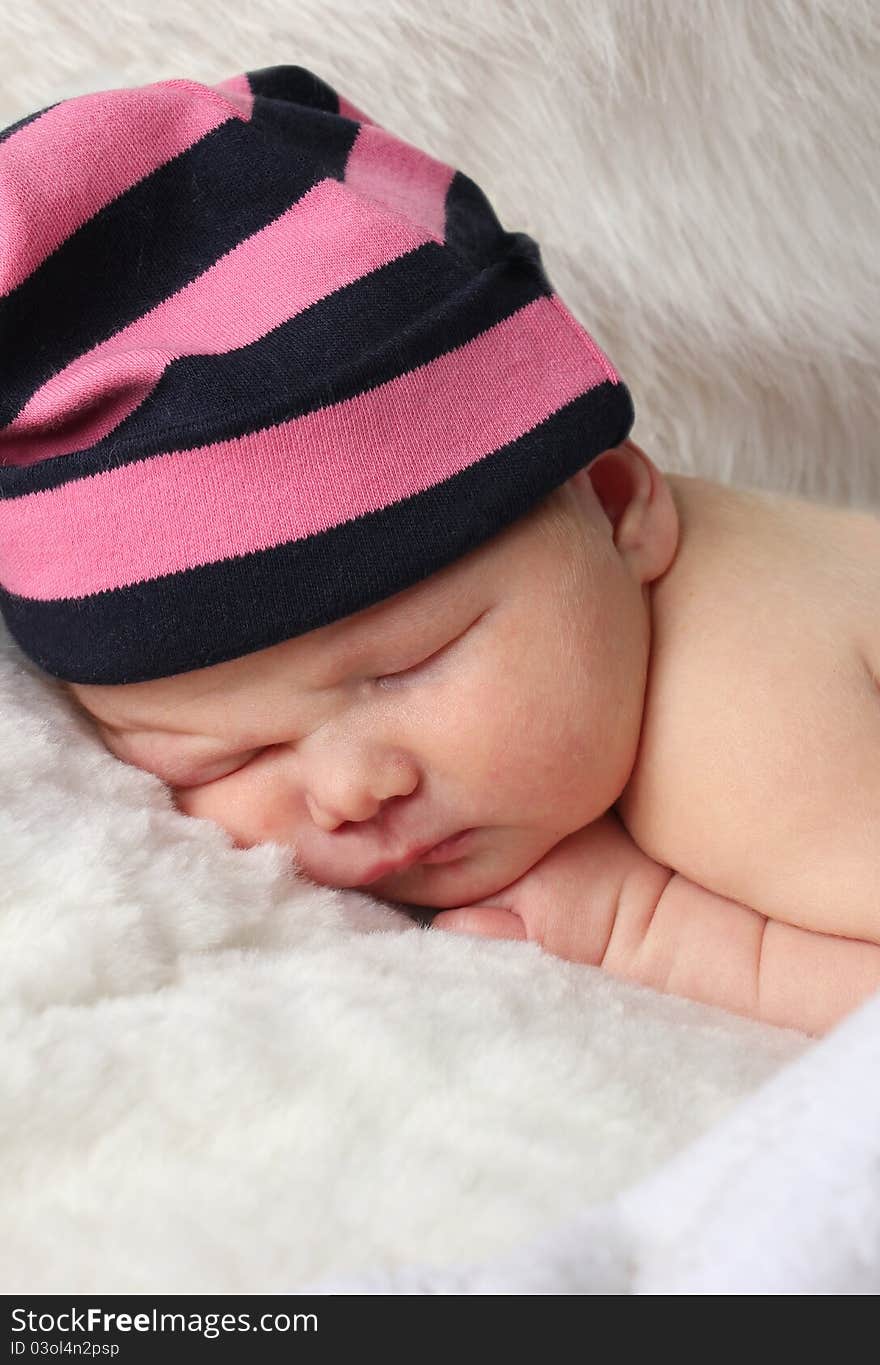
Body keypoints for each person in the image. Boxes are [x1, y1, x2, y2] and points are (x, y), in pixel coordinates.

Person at [3, 65, 878, 1037]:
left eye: (406, 667)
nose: (349, 791)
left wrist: (652, 934)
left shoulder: (737, 737)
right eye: (222, 757)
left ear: (622, 503)